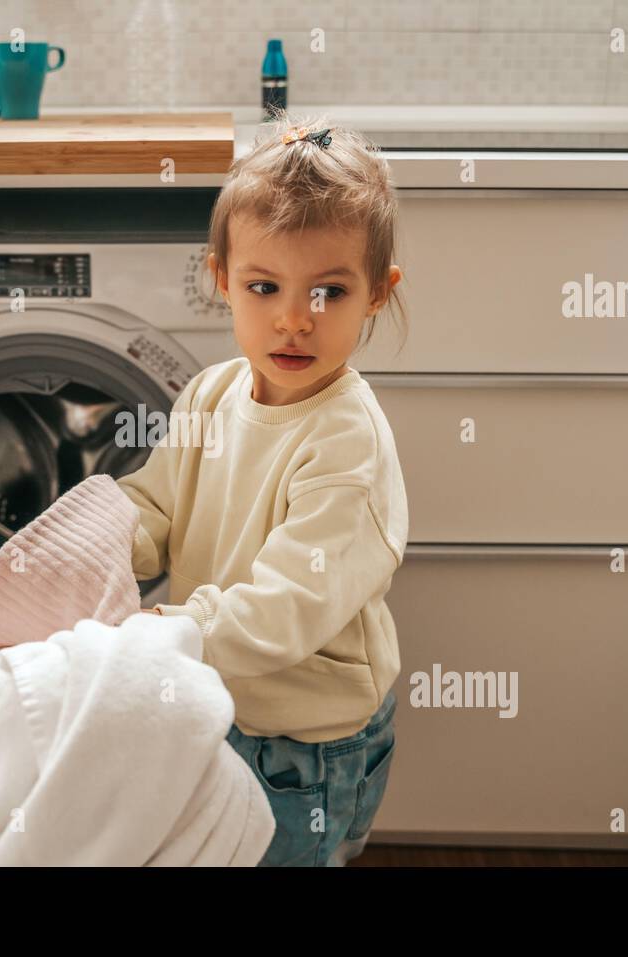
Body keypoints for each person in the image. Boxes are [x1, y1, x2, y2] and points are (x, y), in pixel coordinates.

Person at [118, 115, 409, 866]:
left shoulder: (348, 440)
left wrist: (162, 634)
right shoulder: (212, 394)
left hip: (306, 744)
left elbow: (284, 609)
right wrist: (97, 538)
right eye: (264, 285)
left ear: (377, 293)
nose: (292, 317)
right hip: (220, 695)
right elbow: (155, 505)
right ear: (221, 279)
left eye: (329, 291)